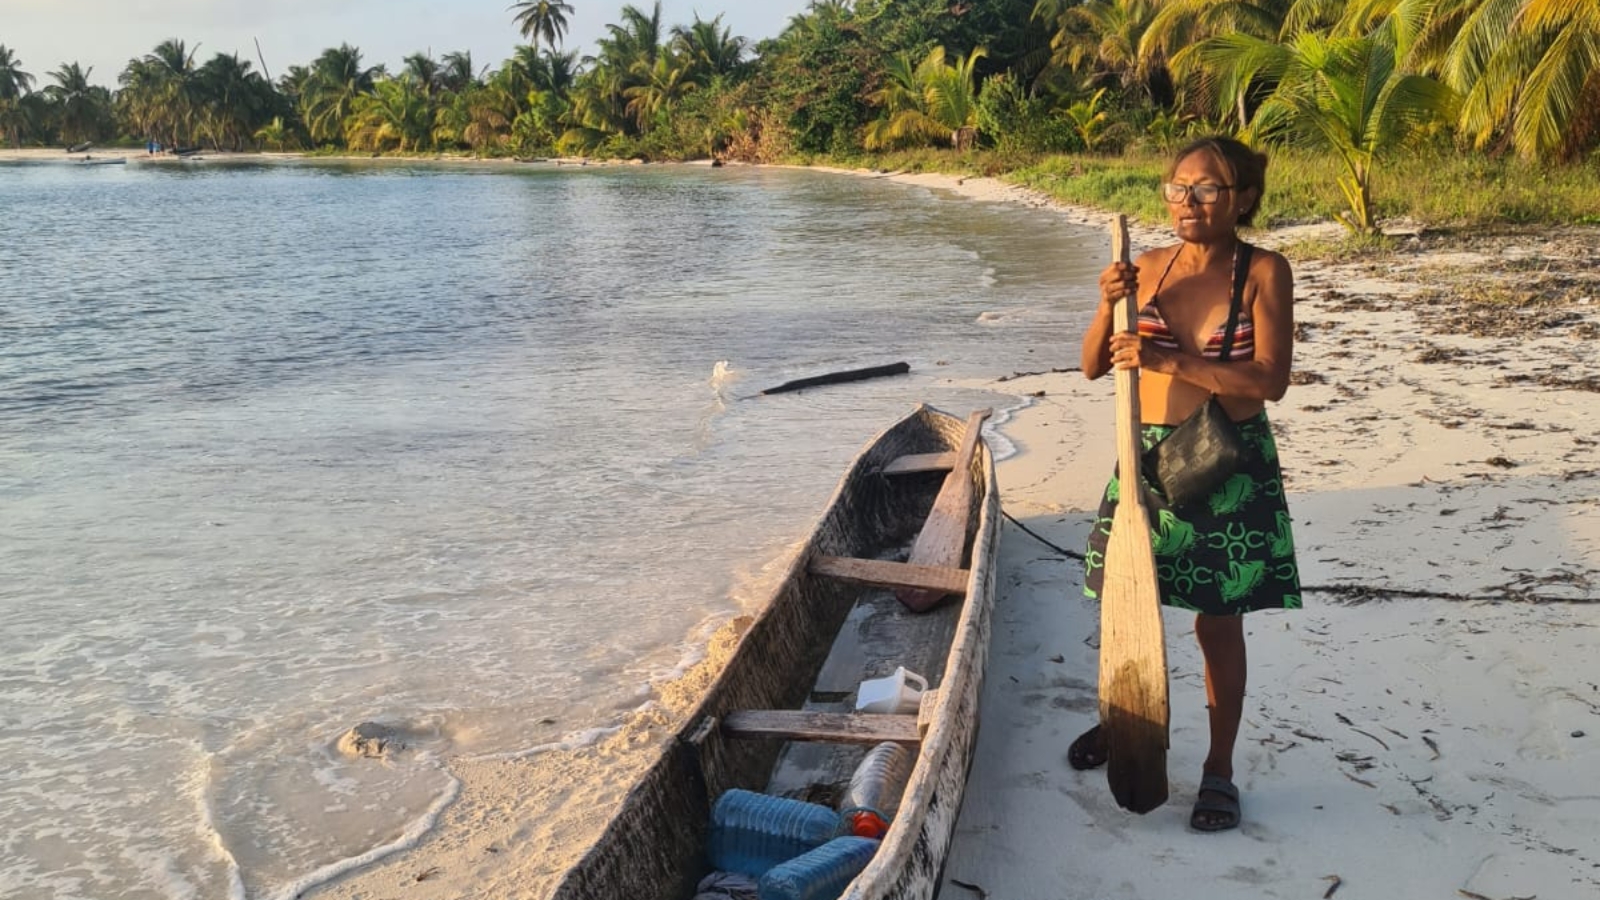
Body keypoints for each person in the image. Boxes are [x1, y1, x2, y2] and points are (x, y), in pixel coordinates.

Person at [1074, 135, 1302, 833]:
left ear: (1244, 198)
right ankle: (1126, 725)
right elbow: (1092, 365)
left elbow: (1270, 381)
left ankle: (1219, 769)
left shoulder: (1264, 271)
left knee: (1216, 625)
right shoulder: (1146, 266)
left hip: (1223, 464)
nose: (1190, 202)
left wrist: (1170, 359)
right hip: (1142, 455)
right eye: (1178, 187)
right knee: (1126, 605)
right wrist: (1105, 303)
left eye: (1209, 189)